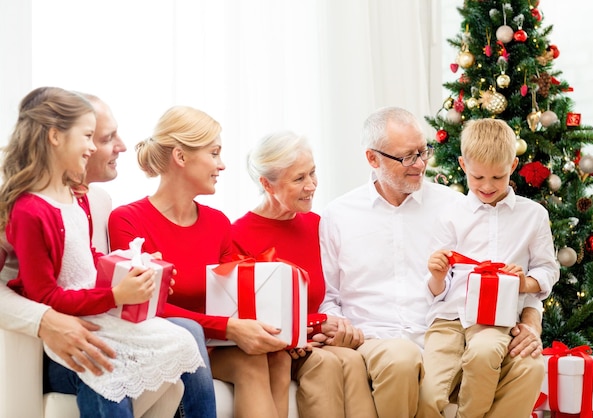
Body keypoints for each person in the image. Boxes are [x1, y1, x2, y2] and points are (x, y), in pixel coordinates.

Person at [319, 106, 547, 418]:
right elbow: (329, 297)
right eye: (407, 157)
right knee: (401, 359)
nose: (421, 164)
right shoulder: (338, 215)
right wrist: (339, 327)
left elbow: (509, 270)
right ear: (373, 159)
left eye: (423, 151)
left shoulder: (456, 205)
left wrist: (532, 322)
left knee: (530, 366)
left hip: (451, 333)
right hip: (378, 339)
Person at [0, 92, 218, 418]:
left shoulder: (90, 199)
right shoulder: (23, 205)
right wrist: (46, 321)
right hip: (39, 339)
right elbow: (47, 289)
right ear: (57, 138)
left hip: (91, 315)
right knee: (105, 362)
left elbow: (85, 267)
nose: (123, 146)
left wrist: (140, 275)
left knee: (187, 333)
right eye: (101, 137)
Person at [108, 105, 292, 418]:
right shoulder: (127, 220)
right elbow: (146, 305)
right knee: (251, 365)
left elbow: (233, 298)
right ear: (180, 157)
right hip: (165, 344)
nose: (222, 165)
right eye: (215, 153)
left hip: (213, 341)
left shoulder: (218, 223)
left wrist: (286, 329)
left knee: (277, 356)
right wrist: (229, 328)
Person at [419, 118, 559, 417]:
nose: (487, 186)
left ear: (513, 165)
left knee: (484, 354)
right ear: (462, 165)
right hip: (448, 318)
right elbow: (435, 290)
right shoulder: (450, 214)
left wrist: (526, 284)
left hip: (496, 317)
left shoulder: (533, 215)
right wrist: (437, 274)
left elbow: (548, 268)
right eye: (478, 176)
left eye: (497, 177)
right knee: (428, 393)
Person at [231, 131, 377, 418]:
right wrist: (314, 326)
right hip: (275, 349)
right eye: (299, 179)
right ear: (266, 184)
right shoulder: (239, 235)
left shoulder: (316, 225)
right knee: (327, 365)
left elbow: (332, 293)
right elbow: (247, 315)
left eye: (312, 173)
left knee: (352, 360)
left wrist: (331, 328)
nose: (311, 186)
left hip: (314, 341)